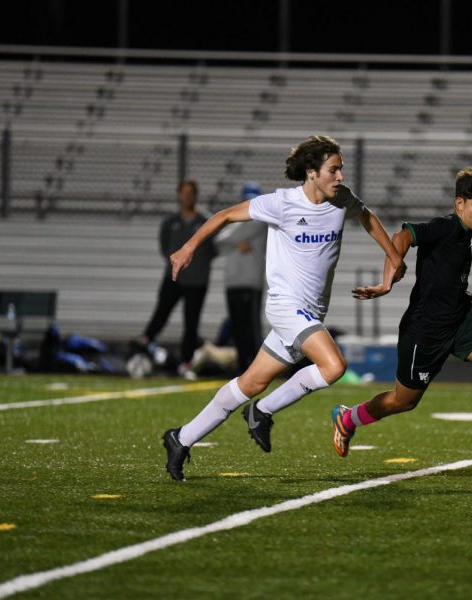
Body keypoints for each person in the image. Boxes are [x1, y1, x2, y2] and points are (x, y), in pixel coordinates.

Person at [161, 135, 406, 481]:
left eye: (341, 169)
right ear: (311, 172)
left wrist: (394, 259)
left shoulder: (342, 199)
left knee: (250, 382)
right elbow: (226, 215)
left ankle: (180, 438)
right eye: (333, 170)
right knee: (333, 366)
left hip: (309, 313)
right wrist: (188, 248)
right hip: (285, 307)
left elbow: (367, 217)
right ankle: (262, 411)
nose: (340, 176)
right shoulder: (282, 203)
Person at [330, 165, 472, 465]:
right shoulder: (445, 227)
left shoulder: (464, 235)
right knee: (403, 400)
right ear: (460, 203)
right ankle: (349, 417)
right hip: (425, 332)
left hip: (460, 323)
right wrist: (387, 282)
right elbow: (401, 237)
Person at [136, 180, 216, 379]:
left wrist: (196, 264)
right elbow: (165, 248)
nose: (187, 197)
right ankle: (140, 354)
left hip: (197, 281)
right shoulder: (170, 222)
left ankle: (185, 364)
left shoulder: (205, 221)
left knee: (191, 324)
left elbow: (214, 249)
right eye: (183, 193)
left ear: (196, 195)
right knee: (160, 316)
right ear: (179, 195)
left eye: (190, 193)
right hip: (173, 278)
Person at [214, 182, 267, 374]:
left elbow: (223, 238)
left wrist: (230, 240)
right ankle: (242, 367)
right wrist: (234, 243)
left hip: (250, 282)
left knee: (251, 328)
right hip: (233, 281)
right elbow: (218, 243)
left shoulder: (260, 219)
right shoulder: (236, 221)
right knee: (237, 327)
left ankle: (254, 367)